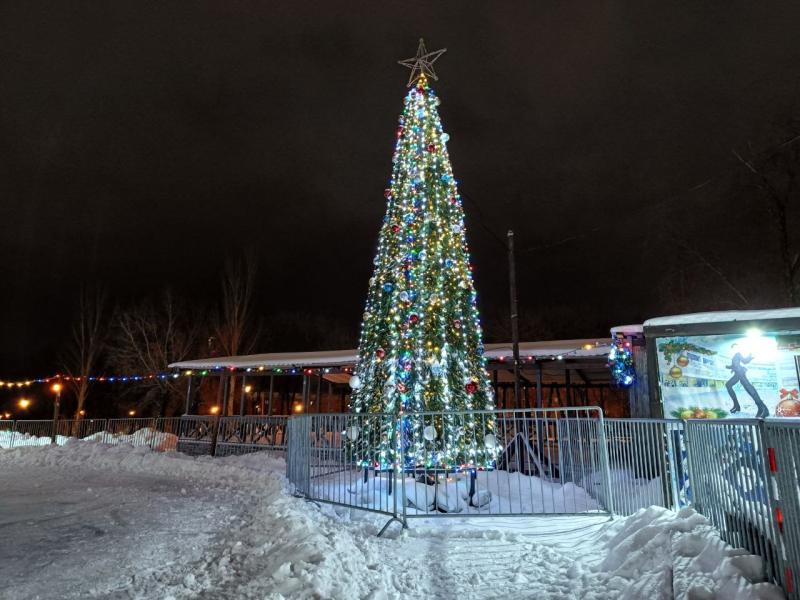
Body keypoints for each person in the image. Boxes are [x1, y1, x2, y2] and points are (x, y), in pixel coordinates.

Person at [725, 343, 769, 418]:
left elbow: (744, 361)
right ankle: (737, 405)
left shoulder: (738, 354)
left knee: (749, 388)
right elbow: (735, 365)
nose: (733, 348)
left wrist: (749, 357)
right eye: (732, 347)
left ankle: (763, 408)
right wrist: (729, 367)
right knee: (729, 385)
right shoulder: (735, 355)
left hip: (740, 373)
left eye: (734, 347)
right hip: (737, 373)